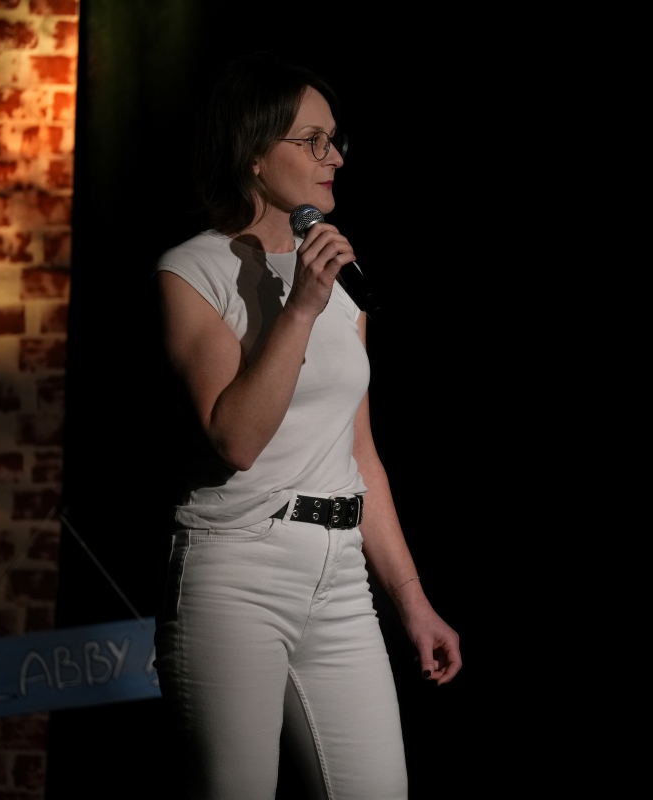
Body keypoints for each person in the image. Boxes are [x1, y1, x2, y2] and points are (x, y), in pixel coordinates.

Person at [153, 52, 460, 800]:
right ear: (255, 156)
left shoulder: (339, 280)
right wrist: (298, 307)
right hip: (239, 570)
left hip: (342, 574)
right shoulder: (194, 271)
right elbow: (236, 439)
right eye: (313, 141)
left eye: (335, 140)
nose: (335, 158)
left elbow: (360, 453)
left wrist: (413, 600)